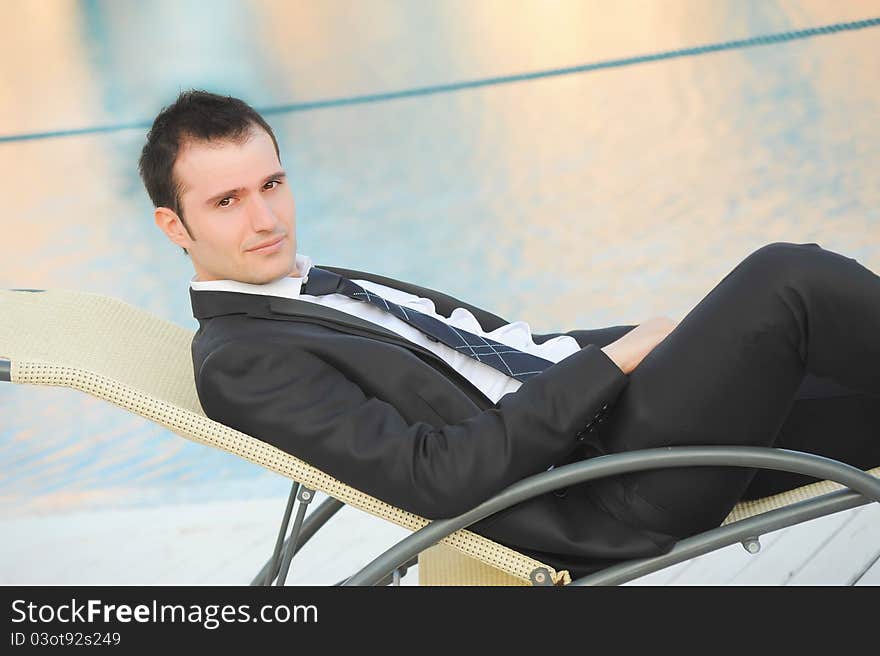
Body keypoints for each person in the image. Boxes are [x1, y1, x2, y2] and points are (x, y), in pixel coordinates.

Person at [141, 89, 880, 579]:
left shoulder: (307, 282)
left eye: (272, 185)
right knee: (790, 280)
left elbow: (503, 354)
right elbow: (437, 474)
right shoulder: (243, 359)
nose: (265, 219)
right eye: (228, 201)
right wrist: (613, 361)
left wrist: (662, 346)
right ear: (174, 225)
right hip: (606, 481)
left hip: (617, 422)